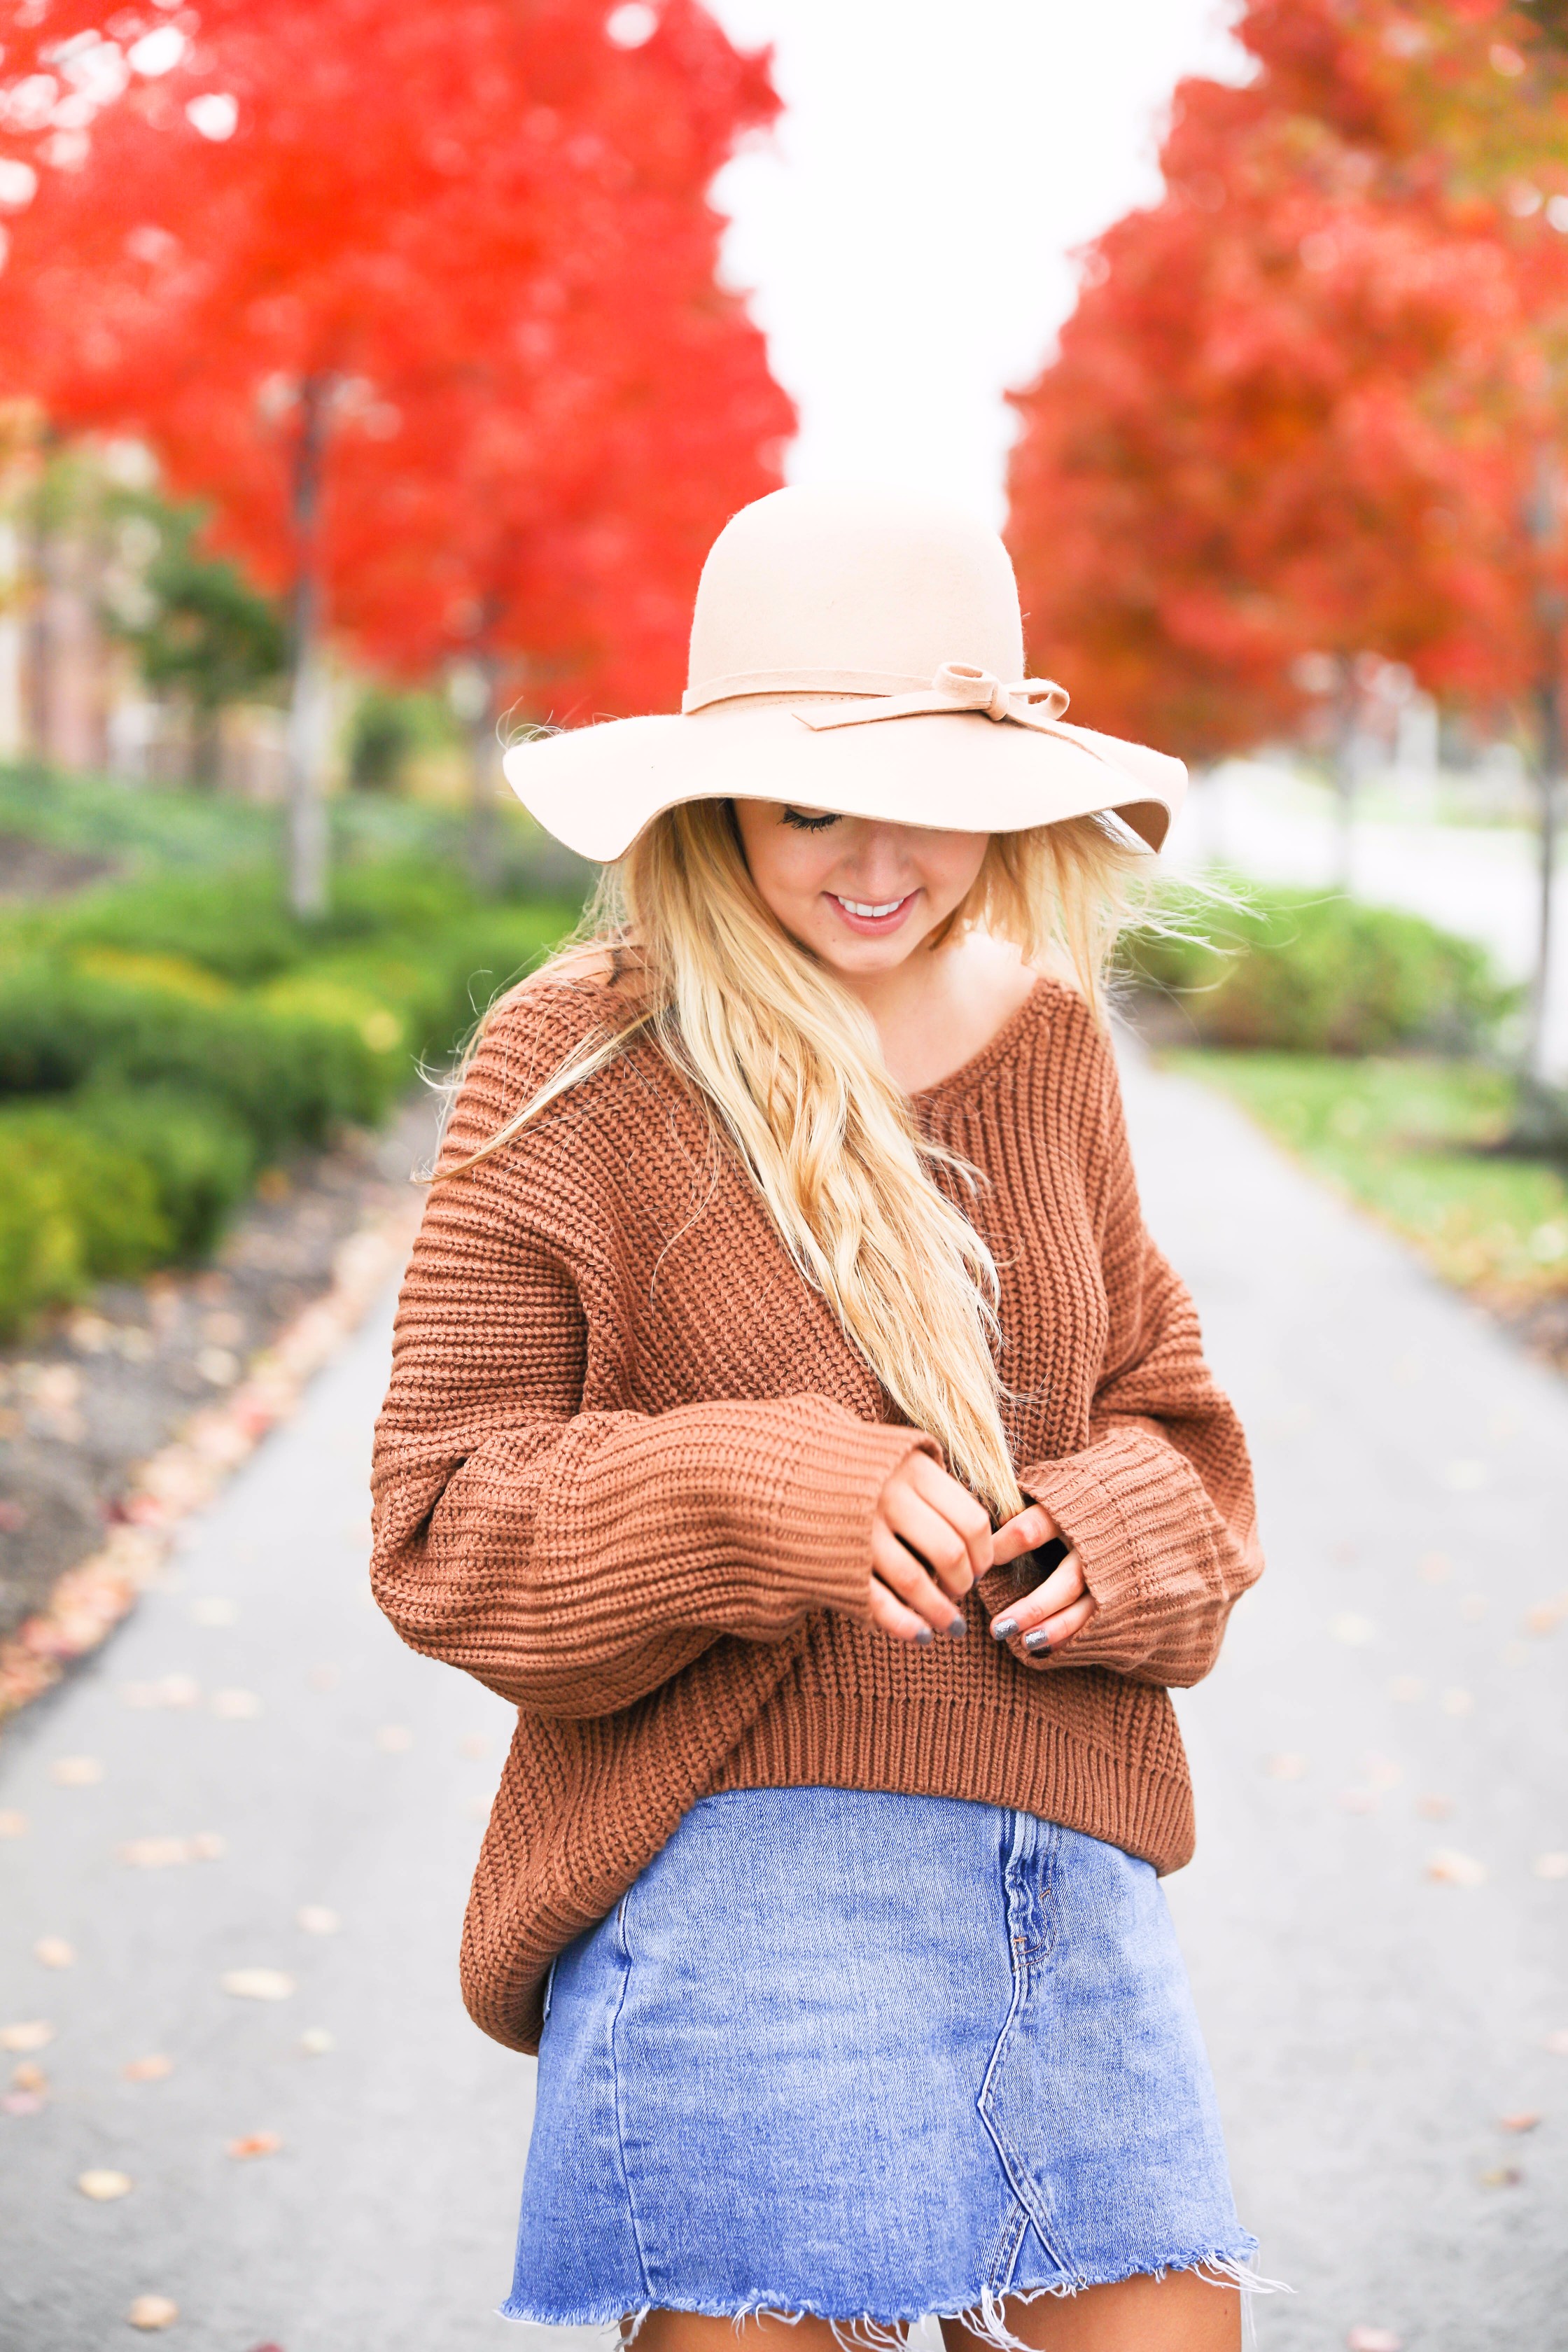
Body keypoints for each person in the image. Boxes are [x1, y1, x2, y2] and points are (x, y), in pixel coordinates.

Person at [371, 488, 1270, 2352]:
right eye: (812, 806)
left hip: (1053, 1859)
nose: (880, 863)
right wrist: (768, 1495)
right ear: (714, 803)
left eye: (930, 803)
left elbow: (1182, 1439)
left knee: (1170, 2326)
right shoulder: (586, 1056)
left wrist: (1106, 1538)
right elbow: (440, 1524)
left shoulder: (1047, 1043)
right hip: (737, 1858)